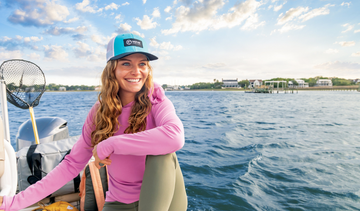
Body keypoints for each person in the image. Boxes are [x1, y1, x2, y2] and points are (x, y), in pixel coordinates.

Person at [0, 33, 188, 211]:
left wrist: (112, 143)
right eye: (126, 63)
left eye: (142, 64)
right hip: (120, 201)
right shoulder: (100, 111)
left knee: (162, 152)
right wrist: (13, 203)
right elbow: (71, 164)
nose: (136, 71)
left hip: (165, 199)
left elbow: (175, 137)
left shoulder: (156, 101)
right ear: (112, 69)